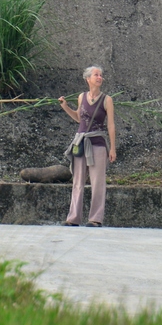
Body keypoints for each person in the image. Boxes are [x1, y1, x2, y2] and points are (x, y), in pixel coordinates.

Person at [59, 66, 117, 227]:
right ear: (88, 79)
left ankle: (95, 219)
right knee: (77, 181)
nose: (99, 77)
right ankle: (73, 218)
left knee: (98, 182)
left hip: (98, 144)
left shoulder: (107, 100)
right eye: (96, 75)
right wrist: (65, 106)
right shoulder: (81, 97)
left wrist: (112, 148)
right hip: (81, 143)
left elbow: (111, 125)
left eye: (101, 75)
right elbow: (79, 118)